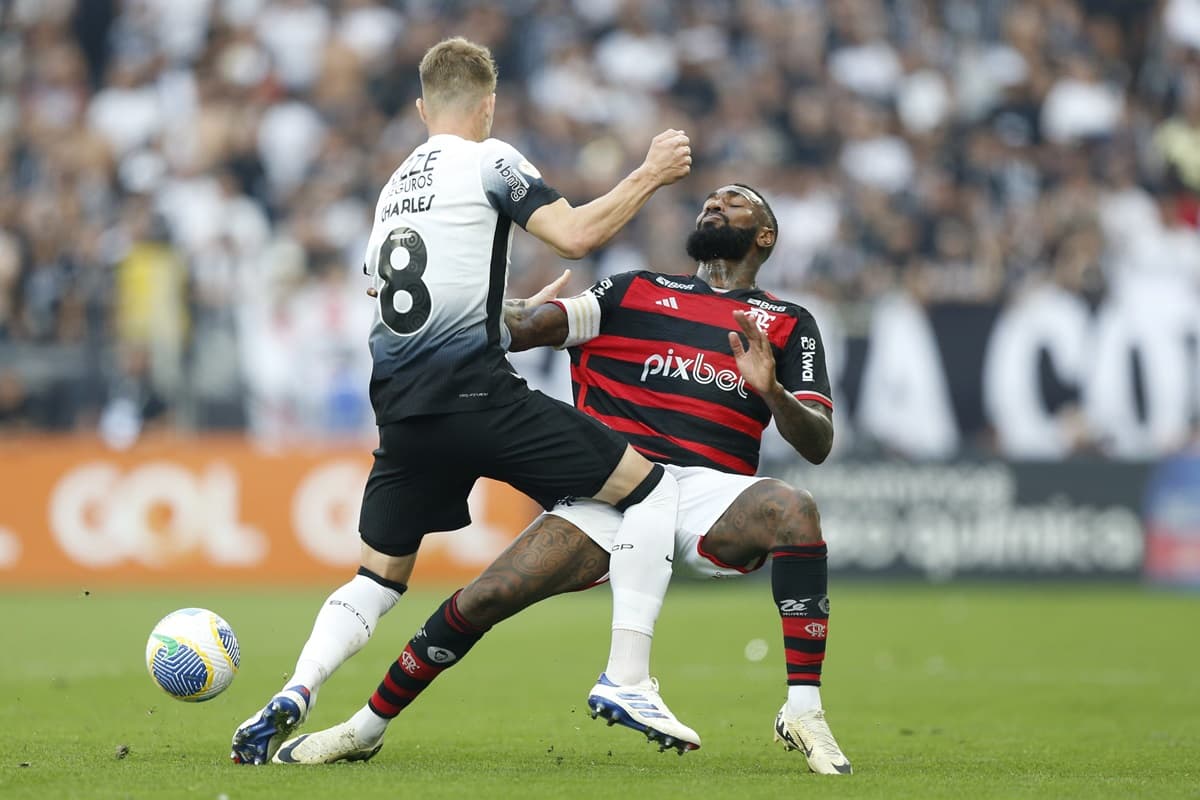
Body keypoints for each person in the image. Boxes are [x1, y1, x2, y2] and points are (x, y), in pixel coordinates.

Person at [272, 184, 853, 775]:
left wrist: (774, 392)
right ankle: (364, 727)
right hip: (612, 485)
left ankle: (804, 711)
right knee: (487, 596)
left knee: (794, 509)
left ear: (766, 236)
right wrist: (443, 307)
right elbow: (529, 325)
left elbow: (818, 442)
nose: (714, 203)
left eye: (735, 200)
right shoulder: (637, 290)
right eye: (709, 198)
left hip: (710, 493)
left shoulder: (788, 323)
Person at [230, 37, 698, 765]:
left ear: (421, 108)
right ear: (488, 106)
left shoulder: (393, 190)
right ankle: (627, 678)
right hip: (479, 398)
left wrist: (501, 309)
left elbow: (399, 298)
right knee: (650, 491)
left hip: (401, 413)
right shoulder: (490, 159)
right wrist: (650, 174)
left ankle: (297, 688)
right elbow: (575, 236)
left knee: (377, 577)